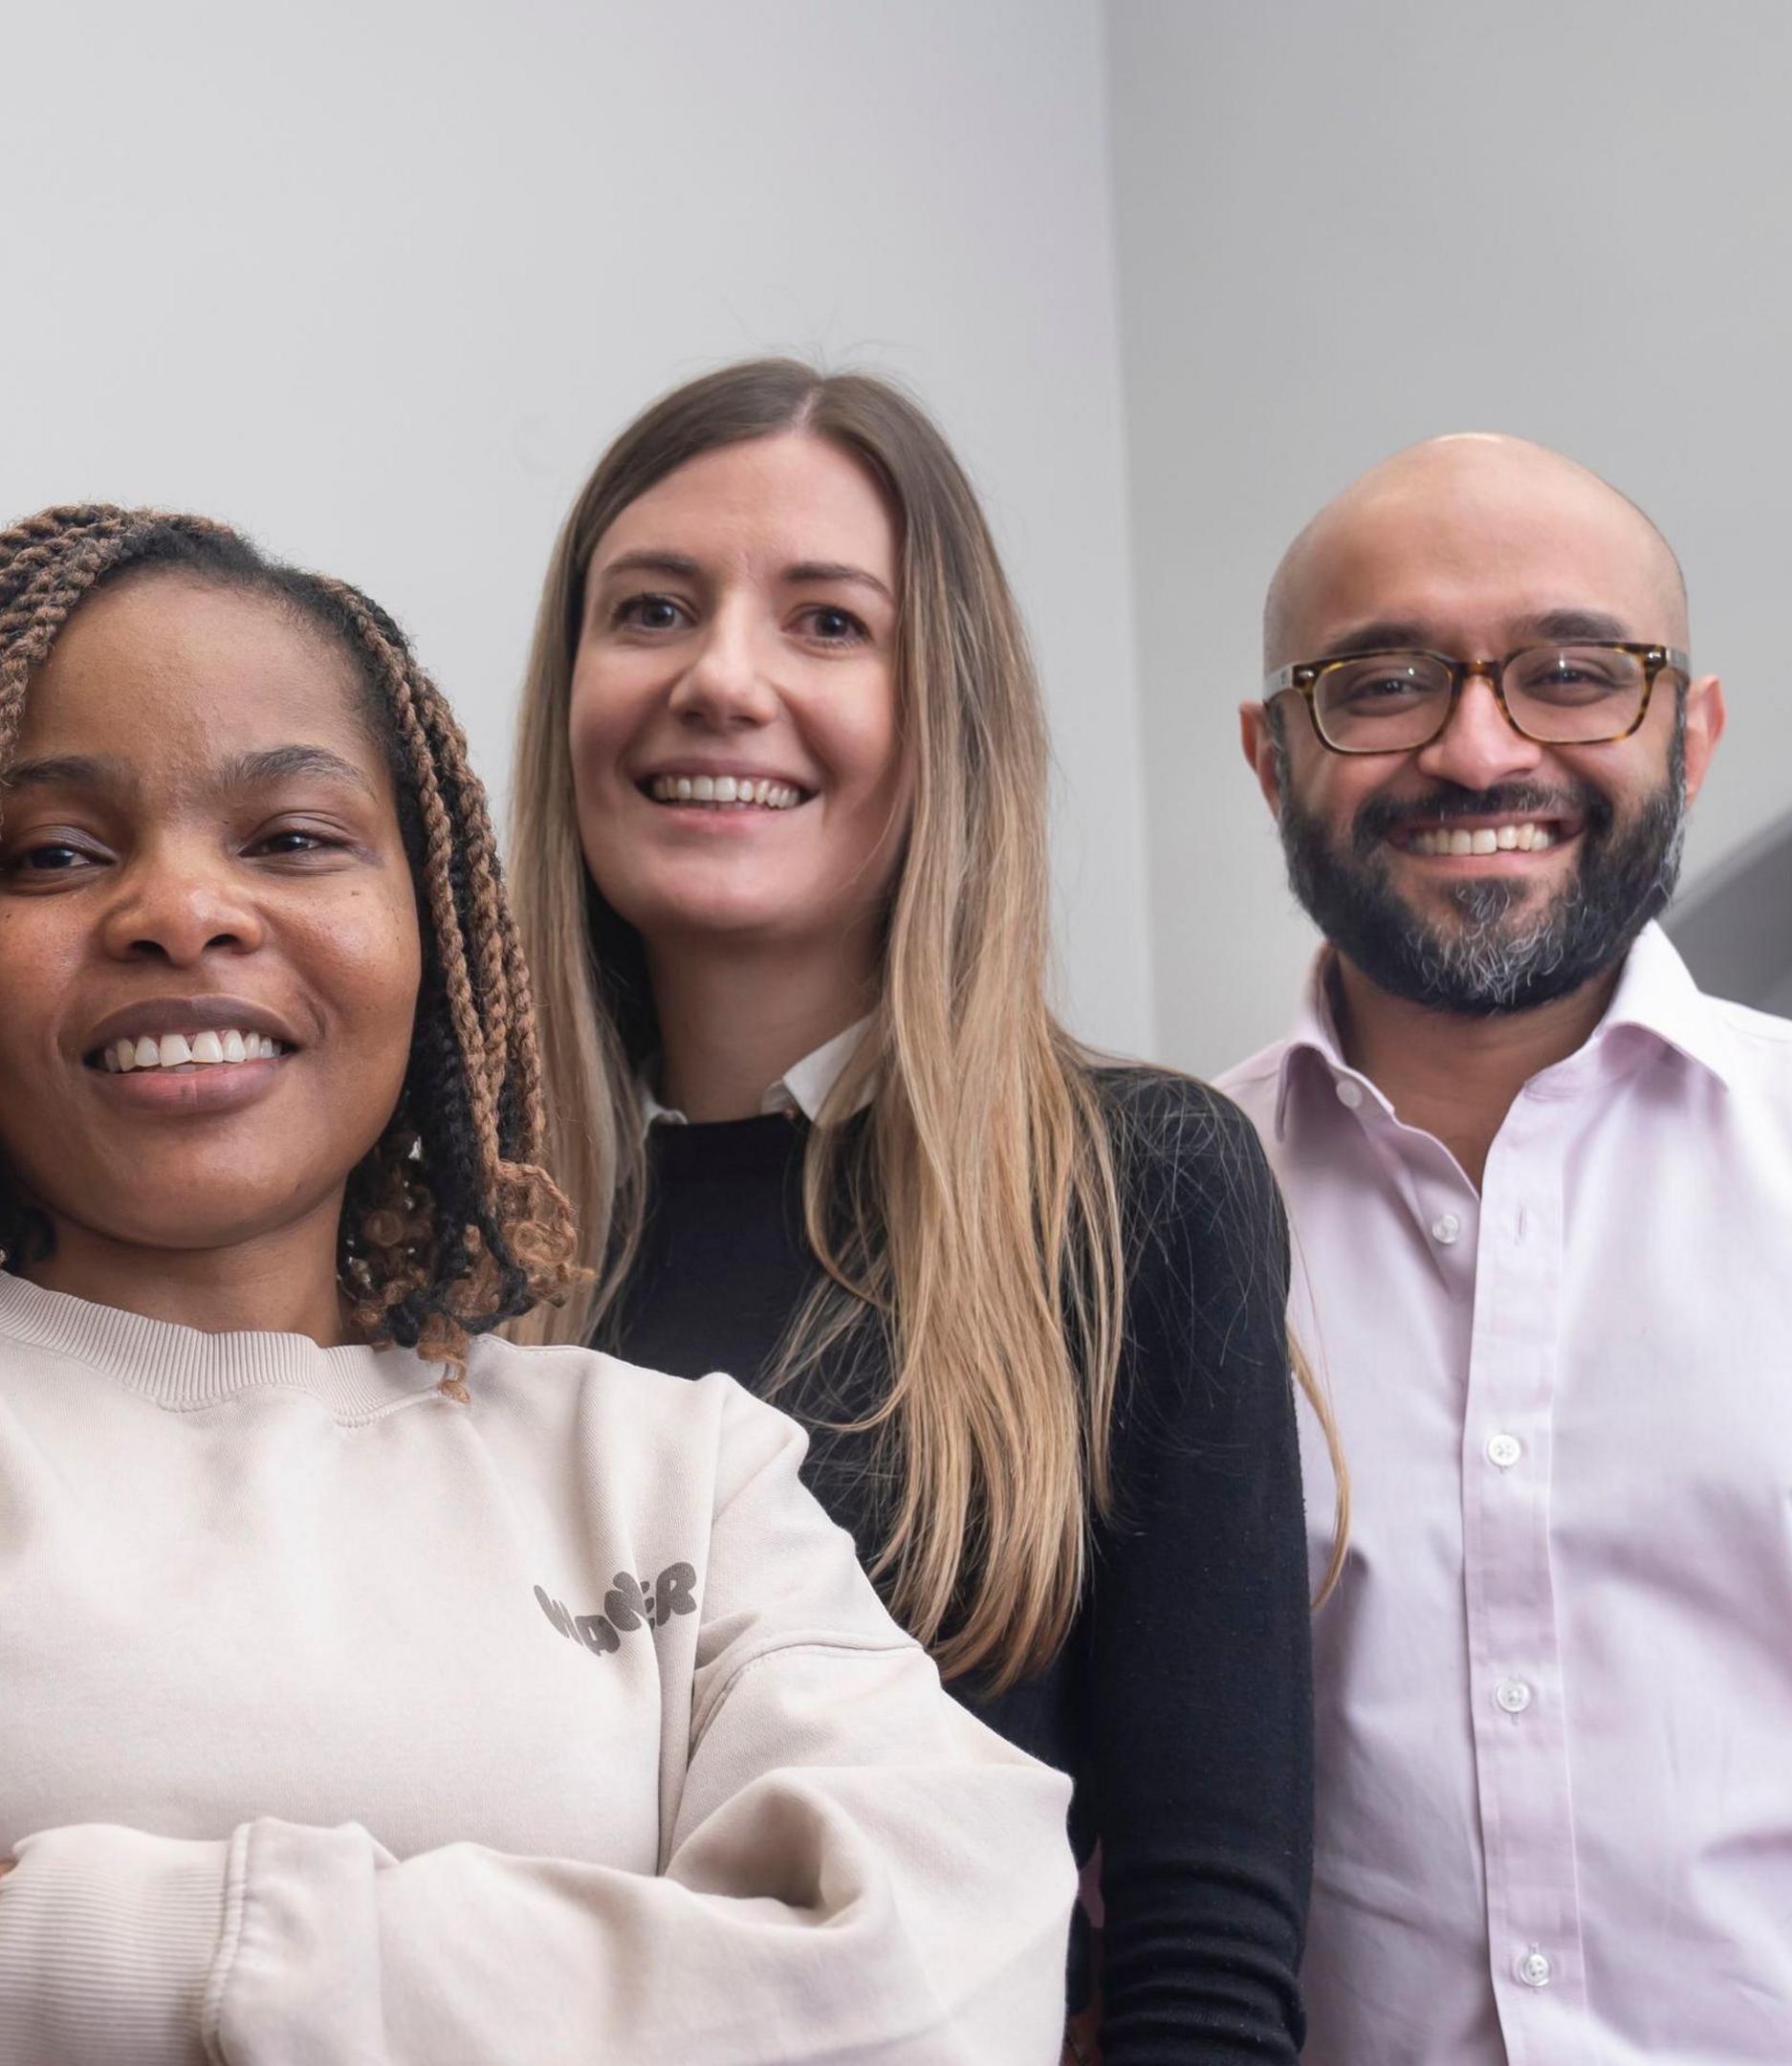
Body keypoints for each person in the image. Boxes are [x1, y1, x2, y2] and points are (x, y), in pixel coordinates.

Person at [0, 503, 1080, 2063]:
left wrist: (72, 1966)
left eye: (295, 839)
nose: (181, 910)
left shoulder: (670, 1468)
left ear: (439, 933)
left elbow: (941, 1987)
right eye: (55, 854)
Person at [1222, 431, 1792, 2064]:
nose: (1479, 749)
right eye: (1385, 681)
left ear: (1688, 735)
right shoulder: (1138, 1225)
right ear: (1275, 755)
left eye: (1571, 673)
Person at [503, 359, 1313, 2059]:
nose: (722, 680)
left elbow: (1206, 1942)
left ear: (946, 710)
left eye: (828, 623)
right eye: (652, 608)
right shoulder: (431, 1217)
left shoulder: (1133, 1186)